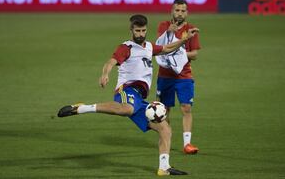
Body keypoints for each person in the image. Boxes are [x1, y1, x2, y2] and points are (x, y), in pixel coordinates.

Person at [57, 14, 199, 176]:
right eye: (137, 30)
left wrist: (183, 40)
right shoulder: (126, 47)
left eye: (143, 30)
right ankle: (82, 108)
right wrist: (105, 74)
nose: (140, 34)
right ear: (131, 30)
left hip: (139, 98)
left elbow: (166, 48)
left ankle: (164, 167)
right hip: (127, 90)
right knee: (127, 109)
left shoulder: (149, 47)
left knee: (165, 128)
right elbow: (111, 62)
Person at [156, 0, 201, 155]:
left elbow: (194, 54)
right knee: (165, 110)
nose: (180, 13)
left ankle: (187, 144)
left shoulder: (191, 30)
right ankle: (165, 139)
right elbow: (160, 48)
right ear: (172, 11)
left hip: (184, 75)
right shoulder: (163, 26)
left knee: (186, 107)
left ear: (187, 13)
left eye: (183, 11)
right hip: (165, 76)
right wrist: (169, 32)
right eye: (177, 10)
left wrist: (176, 53)